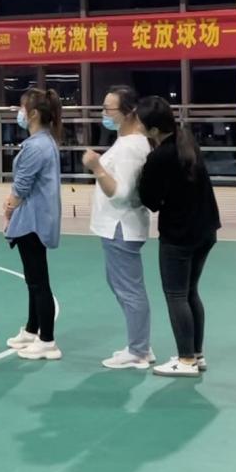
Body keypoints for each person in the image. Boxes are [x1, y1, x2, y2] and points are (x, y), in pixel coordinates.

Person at [135, 96, 220, 378]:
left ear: (153, 129)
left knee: (176, 295)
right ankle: (196, 353)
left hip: (180, 235)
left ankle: (185, 360)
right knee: (191, 291)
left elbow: (150, 200)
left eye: (141, 123)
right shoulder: (187, 141)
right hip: (205, 229)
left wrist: (142, 176)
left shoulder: (159, 156)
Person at [82, 85, 155, 370]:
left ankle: (139, 349)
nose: (104, 113)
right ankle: (139, 344)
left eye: (108, 109)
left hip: (121, 225)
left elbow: (121, 192)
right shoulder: (126, 143)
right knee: (120, 285)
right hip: (116, 226)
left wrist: (96, 167)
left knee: (129, 288)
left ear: (128, 112)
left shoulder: (130, 147)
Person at [3, 88, 65, 361]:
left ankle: (47, 339)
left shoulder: (36, 147)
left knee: (39, 282)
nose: (18, 112)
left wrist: (9, 207)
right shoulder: (45, 142)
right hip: (34, 218)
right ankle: (32, 329)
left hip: (33, 221)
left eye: (21, 108)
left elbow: (22, 186)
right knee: (32, 280)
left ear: (34, 114)